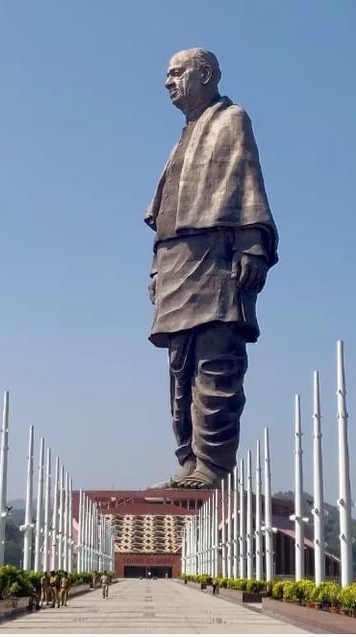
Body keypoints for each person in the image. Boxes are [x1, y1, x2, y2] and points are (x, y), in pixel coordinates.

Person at [146, 48, 278, 490]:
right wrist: (155, 269)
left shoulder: (231, 119)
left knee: (216, 362)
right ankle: (189, 461)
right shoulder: (184, 135)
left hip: (217, 257)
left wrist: (253, 246)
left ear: (205, 74)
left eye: (176, 73)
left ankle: (213, 466)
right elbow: (164, 207)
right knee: (180, 366)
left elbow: (247, 181)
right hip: (175, 261)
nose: (168, 82)